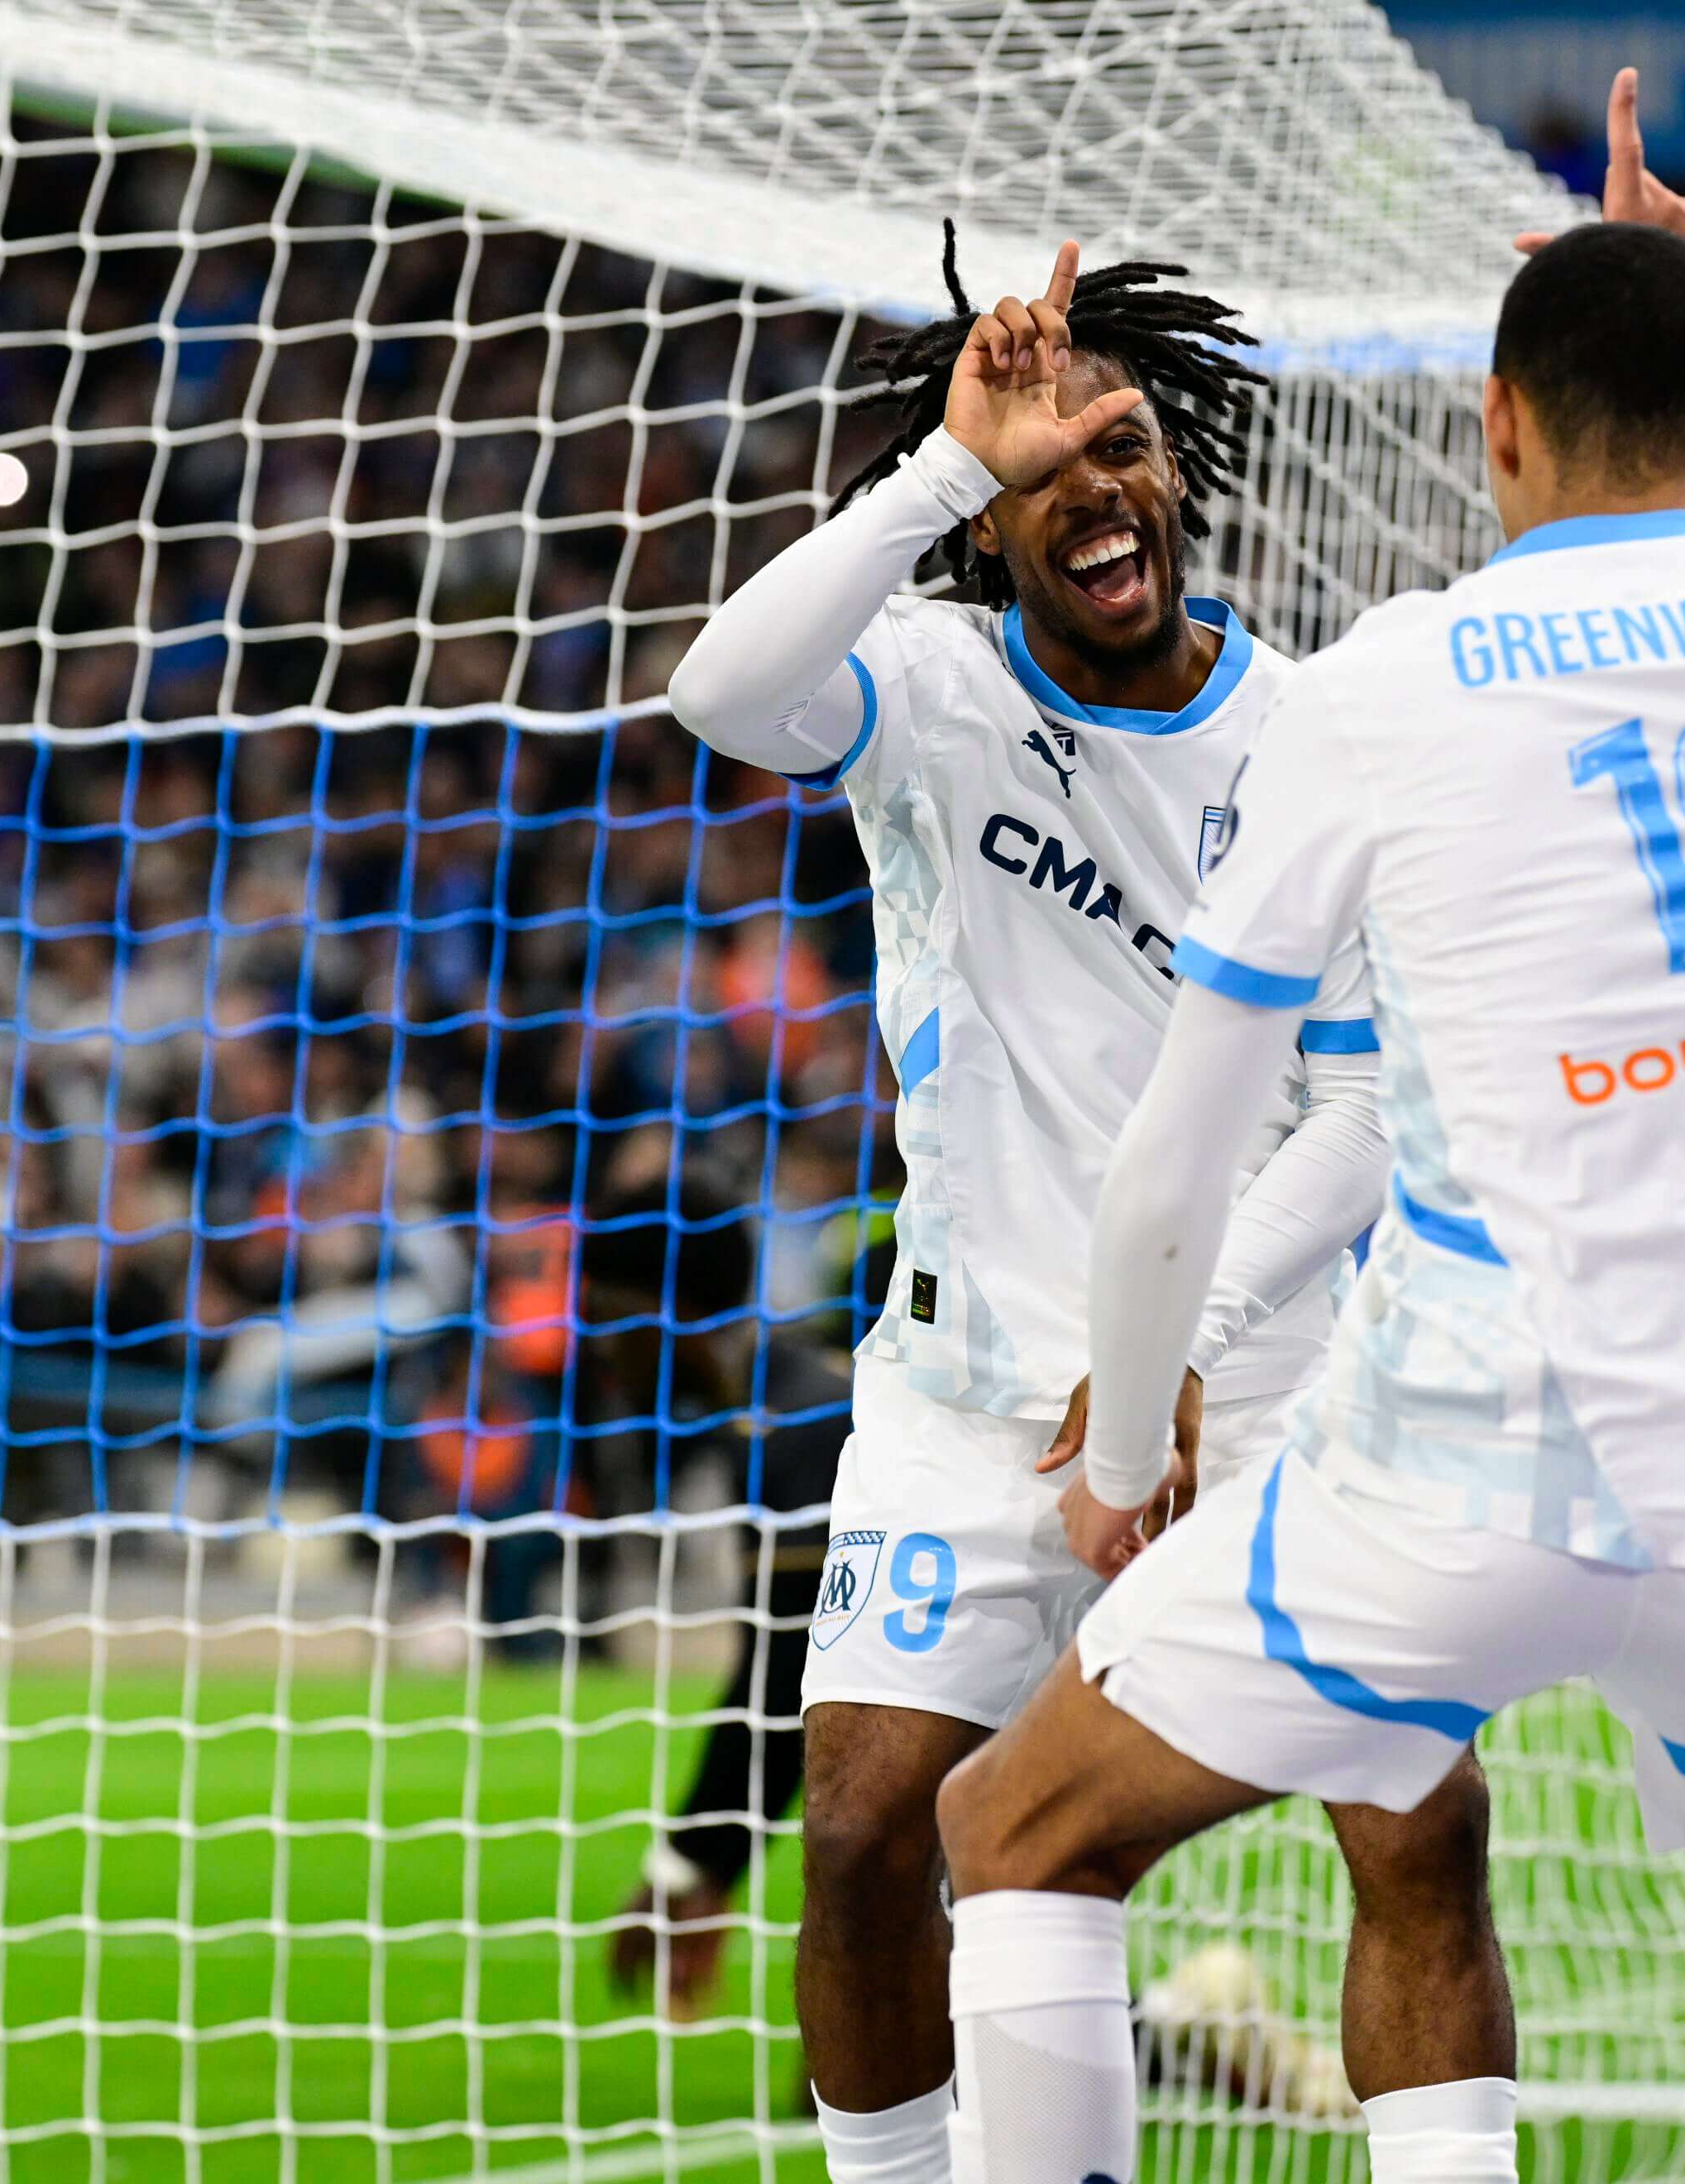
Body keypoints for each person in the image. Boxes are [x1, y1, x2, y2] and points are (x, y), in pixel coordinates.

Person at [934, 70, 1685, 2184]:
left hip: (1460, 1477)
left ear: (1491, 429)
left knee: (1018, 1836)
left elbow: (1184, 1143)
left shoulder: (1384, 684)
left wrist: (1140, 1429)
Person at [667, 229, 1477, 2184]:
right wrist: (940, 465)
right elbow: (714, 690)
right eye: (1034, 474)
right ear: (988, 526)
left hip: (1269, 1385)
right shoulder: (929, 697)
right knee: (863, 1828)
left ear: (1174, 469)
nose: (1084, 491)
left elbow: (1363, 1119)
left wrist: (1170, 1356)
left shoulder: (1313, 729)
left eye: (1112, 443)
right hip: (962, 1395)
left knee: (1415, 1828)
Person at [587, 1182, 854, 2021]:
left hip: (946, 1742)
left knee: (893, 2050)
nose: (600, 1345)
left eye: (608, 1314)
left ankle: (1185, 2023)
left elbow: (783, 1681)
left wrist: (694, 1867)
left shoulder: (796, 1430)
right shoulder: (791, 1398)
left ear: (669, 1308)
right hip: (932, 1746)